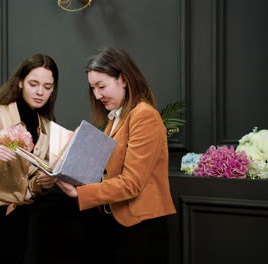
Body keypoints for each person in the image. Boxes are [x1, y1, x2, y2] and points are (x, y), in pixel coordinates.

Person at [55, 47, 177, 264]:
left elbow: (131, 183)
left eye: (101, 86)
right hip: (116, 224)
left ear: (123, 79)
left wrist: (79, 194)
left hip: (141, 227)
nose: (96, 95)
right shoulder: (116, 118)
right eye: (92, 88)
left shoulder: (144, 115)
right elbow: (109, 169)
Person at [0, 54, 59, 264]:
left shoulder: (45, 124)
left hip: (21, 215)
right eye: (33, 84)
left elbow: (30, 178)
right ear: (20, 82)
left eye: (47, 86)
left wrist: (43, 183)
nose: (40, 92)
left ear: (53, 89)